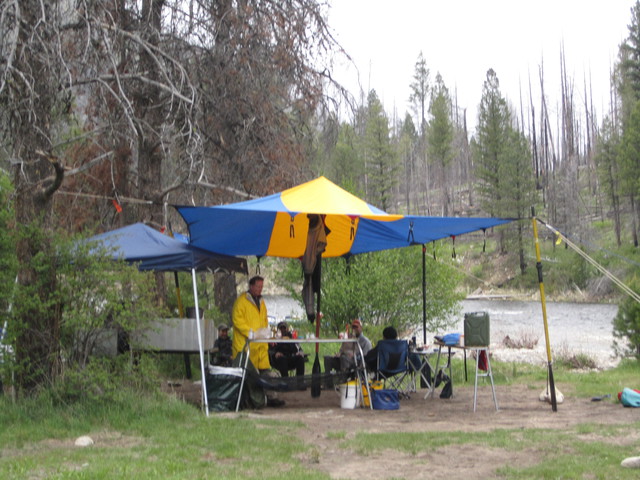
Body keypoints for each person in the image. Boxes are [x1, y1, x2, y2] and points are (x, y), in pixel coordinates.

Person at [232, 275, 284, 407]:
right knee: (250, 376)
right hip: (246, 347)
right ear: (251, 286)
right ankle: (251, 400)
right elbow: (237, 320)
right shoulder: (241, 302)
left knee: (265, 373)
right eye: (258, 286)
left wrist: (268, 336)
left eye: (261, 287)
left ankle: (270, 398)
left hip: (260, 347)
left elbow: (265, 322)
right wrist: (251, 333)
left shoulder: (261, 302)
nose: (260, 289)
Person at [324, 318, 372, 385]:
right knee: (327, 358)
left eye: (356, 327)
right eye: (353, 327)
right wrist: (339, 354)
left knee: (344, 358)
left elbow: (366, 357)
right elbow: (341, 350)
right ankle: (328, 383)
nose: (354, 329)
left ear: (361, 328)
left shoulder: (366, 341)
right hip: (342, 359)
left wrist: (354, 355)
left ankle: (343, 382)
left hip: (354, 362)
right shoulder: (347, 338)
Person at [270, 321, 307, 389]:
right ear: (278, 330)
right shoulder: (274, 339)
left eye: (284, 328)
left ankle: (300, 382)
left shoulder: (291, 338)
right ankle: (286, 383)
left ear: (287, 329)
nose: (283, 330)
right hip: (279, 361)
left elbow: (299, 348)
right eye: (281, 328)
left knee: (300, 358)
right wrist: (275, 353)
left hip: (290, 358)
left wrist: (299, 352)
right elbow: (270, 351)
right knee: (282, 359)